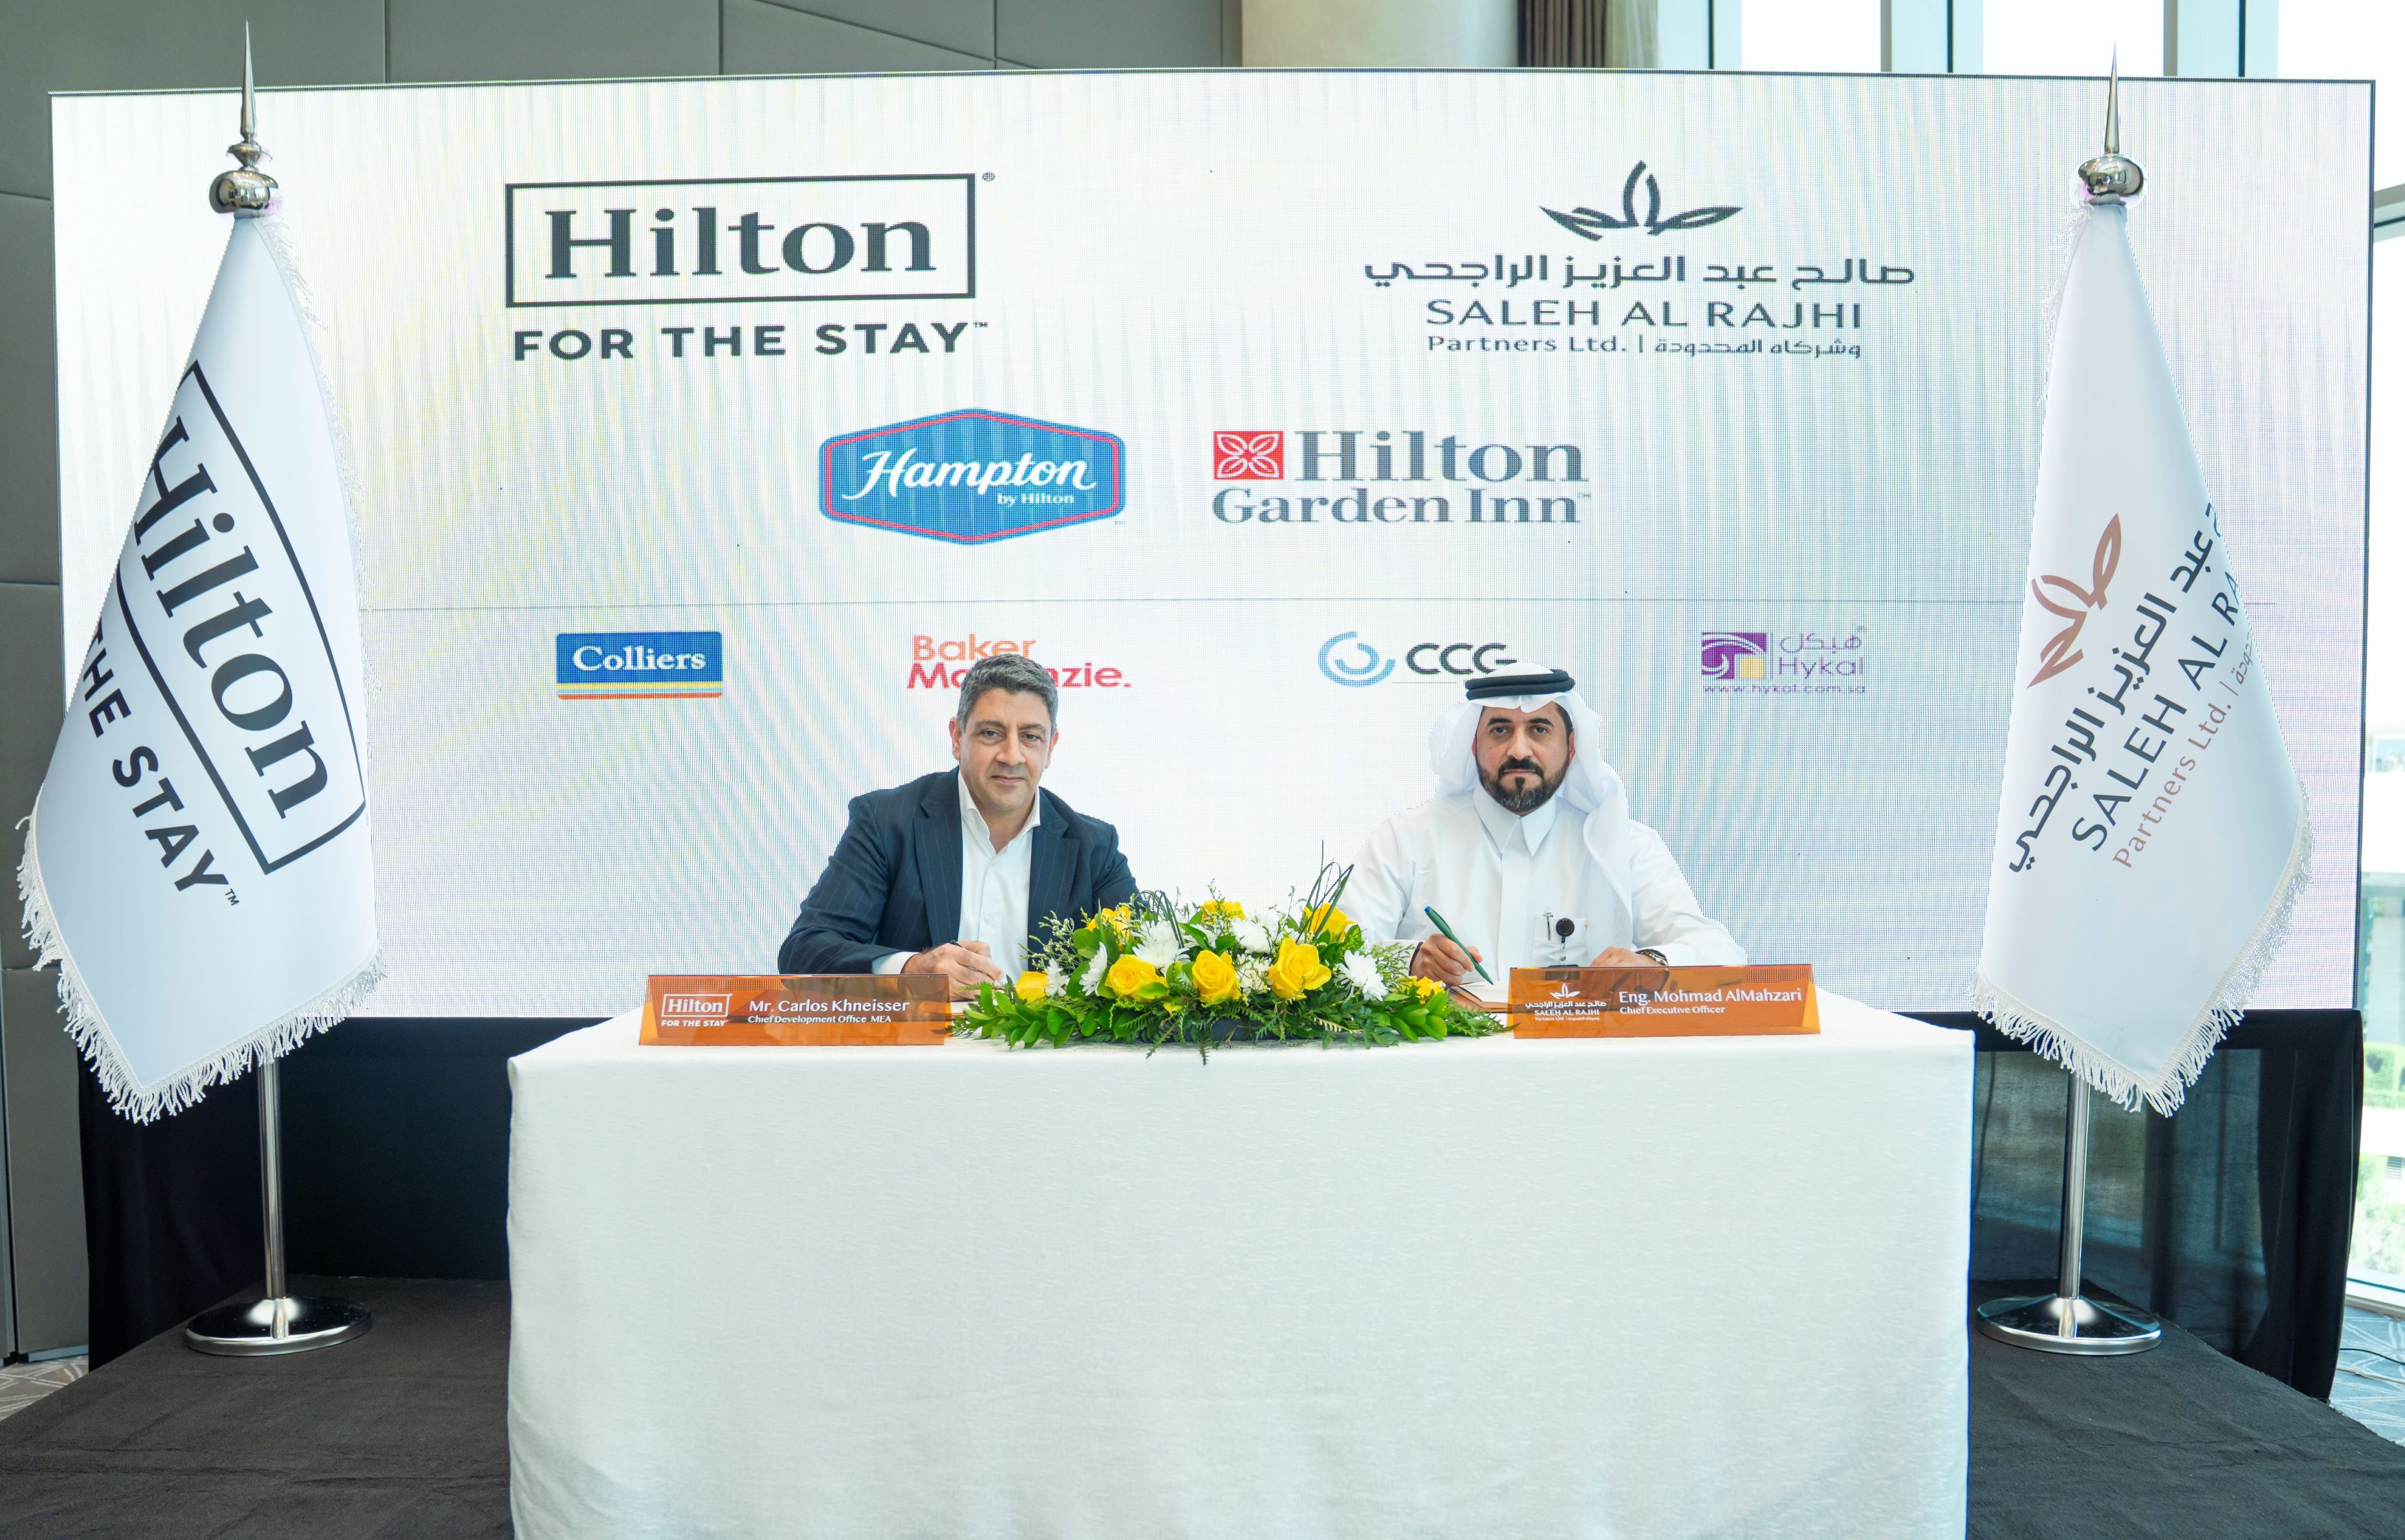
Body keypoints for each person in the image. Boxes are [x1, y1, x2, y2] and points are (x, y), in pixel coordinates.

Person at [1345, 668, 1743, 984]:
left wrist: (1651, 962)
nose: (1519, 750)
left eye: (1539, 730)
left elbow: (1722, 954)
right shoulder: (1407, 839)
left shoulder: (1625, 847)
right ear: (1473, 745)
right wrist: (1409, 959)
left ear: (1571, 748)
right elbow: (1332, 953)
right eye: (1500, 730)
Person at [778, 653, 1138, 995]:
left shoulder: (1094, 846)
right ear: (957, 737)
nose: (1012, 756)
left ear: (1051, 747)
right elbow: (805, 951)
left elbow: (1149, 962)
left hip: (1044, 1056)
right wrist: (912, 970)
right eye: (991, 734)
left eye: (1030, 736)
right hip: (919, 1054)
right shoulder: (887, 821)